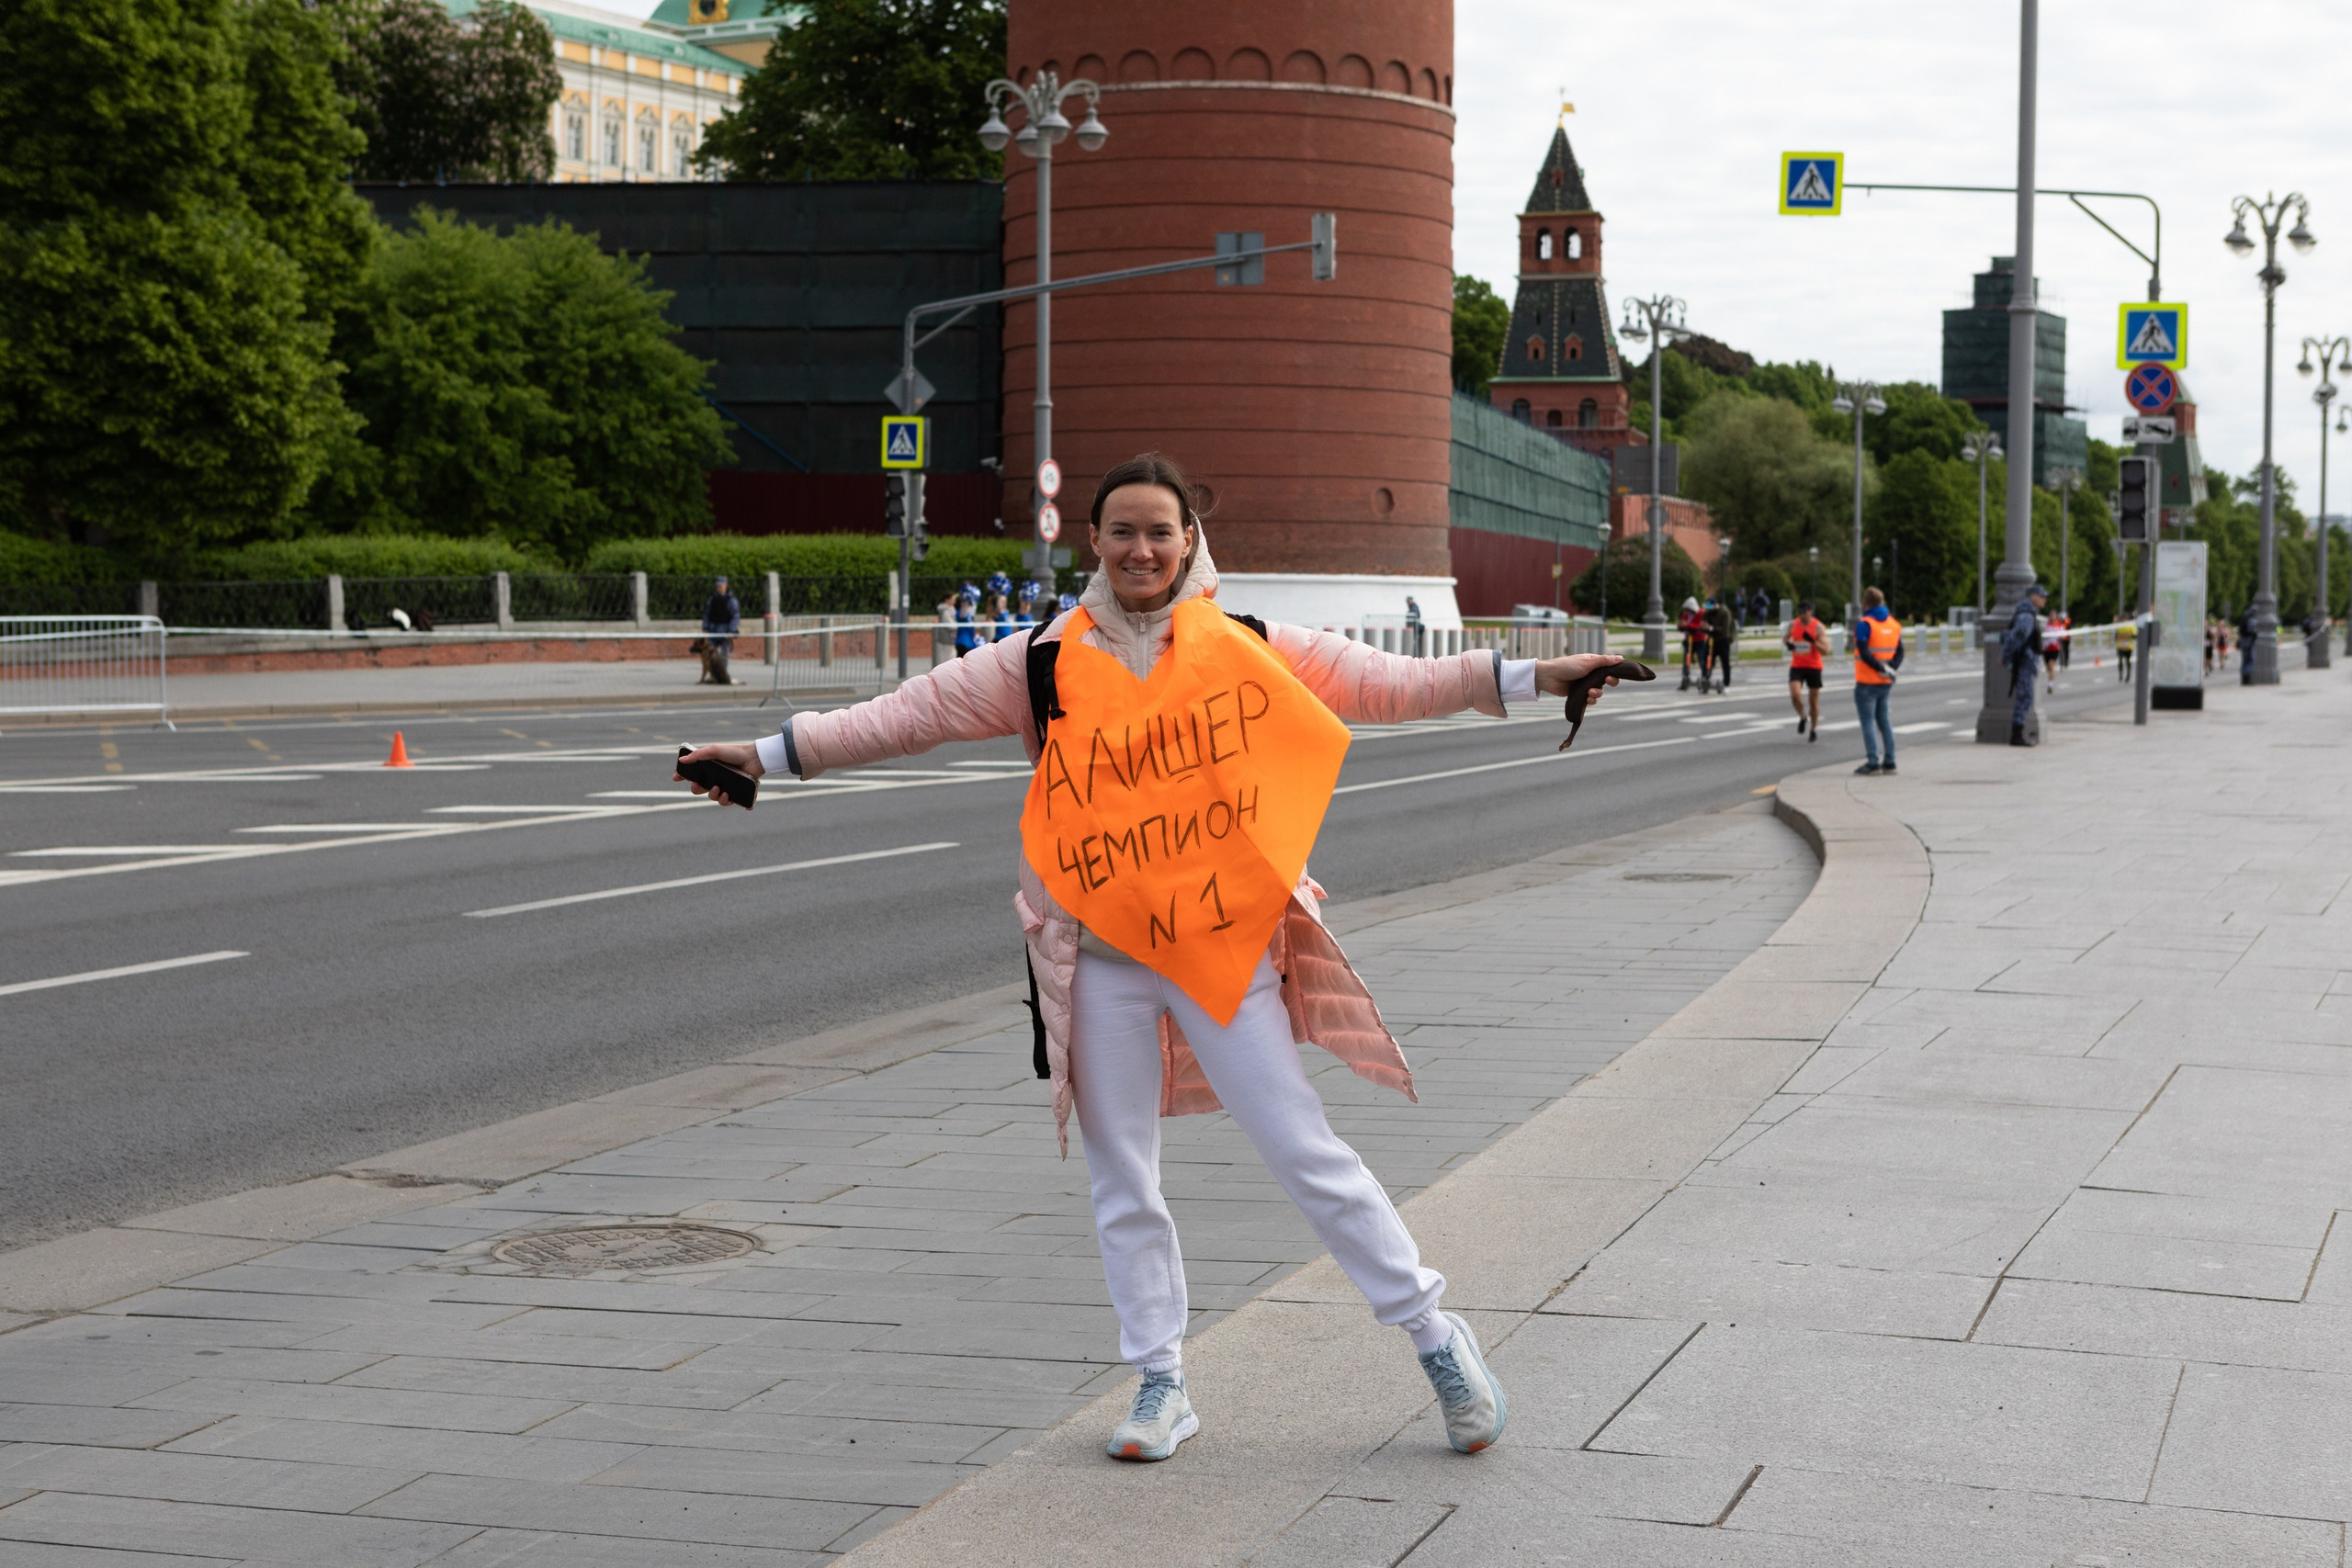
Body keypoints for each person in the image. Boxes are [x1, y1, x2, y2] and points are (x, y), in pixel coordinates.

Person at [676, 452, 1633, 1466]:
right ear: (1093, 540)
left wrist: (1533, 675)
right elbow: (908, 716)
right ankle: (1160, 1382)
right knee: (1121, 1175)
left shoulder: (1250, 643)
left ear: (1190, 543)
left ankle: (1437, 1340)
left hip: (1223, 945)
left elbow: (1389, 681)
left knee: (1305, 1153)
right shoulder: (1039, 660)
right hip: (1097, 957)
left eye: (1159, 532)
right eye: (1122, 530)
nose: (1141, 549)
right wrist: (769, 757)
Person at [1851, 586, 1902, 773]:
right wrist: (1890, 668)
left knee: (1867, 722)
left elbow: (1864, 652)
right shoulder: (1894, 625)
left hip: (1866, 681)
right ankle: (1890, 761)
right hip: (1885, 682)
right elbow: (1900, 651)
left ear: (1866, 603)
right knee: (1884, 721)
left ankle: (1873, 762)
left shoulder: (1864, 624)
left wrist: (1879, 668)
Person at [1999, 583, 2046, 746]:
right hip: (2025, 662)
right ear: (2032, 597)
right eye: (2041, 597)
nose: (2044, 600)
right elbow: (2015, 638)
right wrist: (2005, 656)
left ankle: (2018, 733)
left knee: (2026, 697)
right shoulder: (2026, 616)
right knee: (2025, 697)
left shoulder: (2028, 614)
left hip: (2026, 661)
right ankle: (2016, 735)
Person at [1784, 599, 1826, 740]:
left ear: (1811, 612)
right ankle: (1803, 717)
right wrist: (1788, 645)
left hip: (1814, 666)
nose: (1802, 616)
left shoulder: (1818, 627)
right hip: (1797, 665)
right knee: (1795, 695)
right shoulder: (1793, 624)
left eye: (1805, 613)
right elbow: (1785, 638)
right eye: (1800, 613)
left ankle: (1813, 729)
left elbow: (1825, 650)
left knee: (1813, 700)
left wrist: (1813, 642)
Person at [699, 575, 741, 686]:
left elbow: (735, 616)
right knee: (711, 655)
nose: (719, 588)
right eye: (718, 586)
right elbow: (707, 614)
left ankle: (723, 675)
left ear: (726, 585)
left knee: (723, 655)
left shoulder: (731, 601)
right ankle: (713, 675)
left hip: (725, 631)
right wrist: (705, 627)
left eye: (721, 585)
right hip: (713, 630)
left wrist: (731, 631)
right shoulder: (712, 600)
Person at [1704, 594, 1736, 692]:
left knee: (1725, 662)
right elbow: (1704, 623)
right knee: (1708, 661)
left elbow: (1725, 630)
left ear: (1716, 605)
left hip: (1723, 640)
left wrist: (1711, 628)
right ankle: (1706, 680)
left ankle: (1726, 683)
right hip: (1712, 640)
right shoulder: (1708, 613)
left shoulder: (1724, 613)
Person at [1678, 597, 1707, 691]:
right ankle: (1685, 679)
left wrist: (1687, 625)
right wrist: (1682, 626)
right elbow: (1682, 625)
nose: (1687, 611)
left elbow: (1700, 626)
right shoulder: (1686, 614)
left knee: (1702, 661)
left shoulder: (1702, 613)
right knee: (1686, 662)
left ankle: (1705, 679)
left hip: (1700, 641)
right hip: (1688, 641)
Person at [952, 583, 982, 657]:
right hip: (962, 642)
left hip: (969, 643)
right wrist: (966, 602)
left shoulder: (969, 614)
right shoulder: (959, 613)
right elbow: (962, 616)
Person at [2118, 615, 2137, 682]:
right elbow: (2116, 636)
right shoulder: (2119, 627)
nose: (2123, 621)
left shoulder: (2130, 627)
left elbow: (2135, 636)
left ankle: (2128, 675)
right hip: (2120, 646)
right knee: (2120, 661)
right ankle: (2120, 675)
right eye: (2122, 619)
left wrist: (2130, 635)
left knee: (2127, 661)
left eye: (2125, 619)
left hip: (2128, 647)